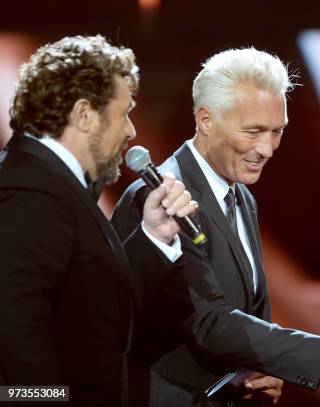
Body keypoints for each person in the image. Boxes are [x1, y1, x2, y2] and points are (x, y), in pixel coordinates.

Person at [112, 47, 320, 406]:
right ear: (206, 120)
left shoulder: (241, 196)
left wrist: (261, 369)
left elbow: (247, 305)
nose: (268, 148)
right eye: (254, 131)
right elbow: (208, 322)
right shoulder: (162, 197)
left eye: (276, 132)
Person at [0, 35, 197, 405]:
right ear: (85, 115)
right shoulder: (30, 190)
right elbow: (15, 329)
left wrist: (153, 236)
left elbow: (93, 307)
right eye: (124, 114)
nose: (131, 131)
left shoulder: (53, 184)